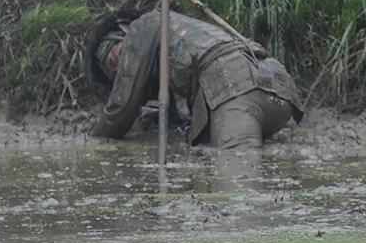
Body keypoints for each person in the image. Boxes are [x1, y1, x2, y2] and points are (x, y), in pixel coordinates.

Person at [85, 11, 302, 149]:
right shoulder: (179, 27)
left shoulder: (141, 27)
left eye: (115, 57)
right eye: (112, 72)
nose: (119, 68)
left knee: (238, 167)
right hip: (279, 90)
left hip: (235, 90)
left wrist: (93, 140)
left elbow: (122, 106)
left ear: (122, 33)